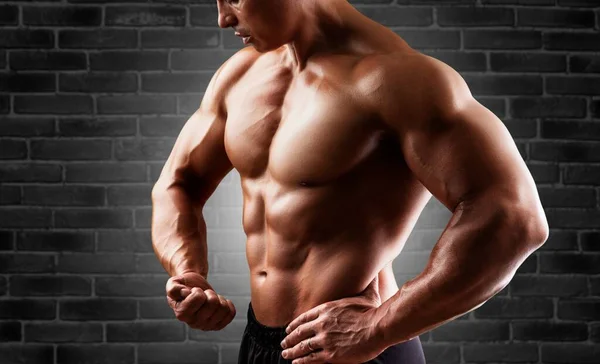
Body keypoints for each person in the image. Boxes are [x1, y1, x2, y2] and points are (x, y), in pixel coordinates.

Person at [150, 0, 550, 363]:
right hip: (258, 343)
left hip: (356, 351)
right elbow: (178, 183)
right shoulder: (240, 75)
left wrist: (377, 327)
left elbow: (513, 218)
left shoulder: (403, 80)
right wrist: (189, 273)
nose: (222, 19)